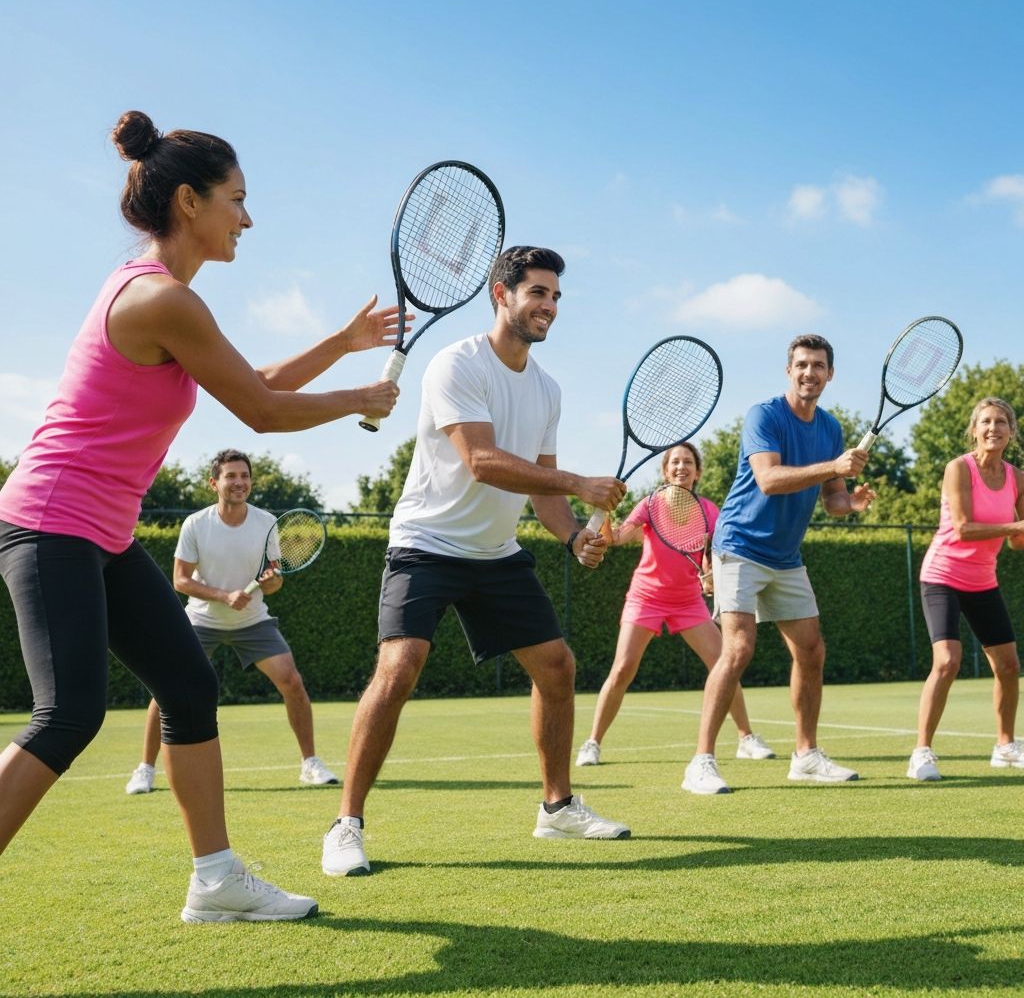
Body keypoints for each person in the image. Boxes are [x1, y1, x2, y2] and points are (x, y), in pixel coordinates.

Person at [0, 110, 402, 922]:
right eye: (237, 200)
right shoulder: (161, 298)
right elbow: (261, 410)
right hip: (50, 522)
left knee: (187, 685)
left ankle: (216, 880)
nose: (247, 219)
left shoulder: (161, 294)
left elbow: (252, 380)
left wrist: (342, 343)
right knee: (68, 713)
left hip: (98, 532)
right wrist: (358, 398)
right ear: (190, 201)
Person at [321, 245, 631, 878]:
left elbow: (543, 490)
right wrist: (581, 483)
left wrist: (573, 535)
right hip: (425, 543)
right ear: (502, 294)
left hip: (496, 554)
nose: (549, 306)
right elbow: (482, 461)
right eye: (537, 292)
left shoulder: (547, 390)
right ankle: (346, 824)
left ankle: (557, 808)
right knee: (399, 668)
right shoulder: (456, 363)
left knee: (557, 667)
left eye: (555, 296)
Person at [682, 334, 875, 795]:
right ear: (789, 370)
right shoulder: (764, 415)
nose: (810, 372)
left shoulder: (830, 429)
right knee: (738, 649)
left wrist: (851, 503)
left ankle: (806, 756)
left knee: (811, 649)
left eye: (819, 366)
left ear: (830, 375)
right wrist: (833, 467)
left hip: (786, 557)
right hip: (739, 545)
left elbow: (832, 500)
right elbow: (768, 479)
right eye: (802, 364)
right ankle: (701, 763)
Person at [125, 449, 339, 796]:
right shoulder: (196, 524)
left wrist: (272, 581)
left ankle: (310, 764)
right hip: (201, 619)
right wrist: (224, 596)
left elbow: (274, 579)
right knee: (167, 689)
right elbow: (181, 580)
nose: (239, 482)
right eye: (231, 476)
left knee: (292, 680)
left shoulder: (267, 522)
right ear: (214, 483)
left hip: (253, 620)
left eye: (244, 476)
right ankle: (145, 769)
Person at [575, 443, 775, 771]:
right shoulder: (650, 504)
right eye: (675, 462)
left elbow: (713, 552)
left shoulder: (709, 510)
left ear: (698, 472)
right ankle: (592, 742)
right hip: (645, 598)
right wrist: (605, 512)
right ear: (666, 471)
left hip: (688, 601)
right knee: (622, 669)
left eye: (688, 462)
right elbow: (617, 538)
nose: (681, 467)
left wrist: (711, 575)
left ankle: (746, 738)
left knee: (724, 664)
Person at [908, 397, 1024, 781]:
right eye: (986, 422)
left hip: (983, 580)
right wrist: (1015, 527)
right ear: (974, 430)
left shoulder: (1018, 478)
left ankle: (1005, 747)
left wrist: (1019, 531)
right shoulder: (958, 468)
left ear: (1011, 431)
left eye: (1001, 422)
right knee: (947, 661)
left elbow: (1017, 542)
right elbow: (963, 528)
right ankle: (921, 753)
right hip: (942, 575)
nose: (993, 428)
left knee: (1008, 666)